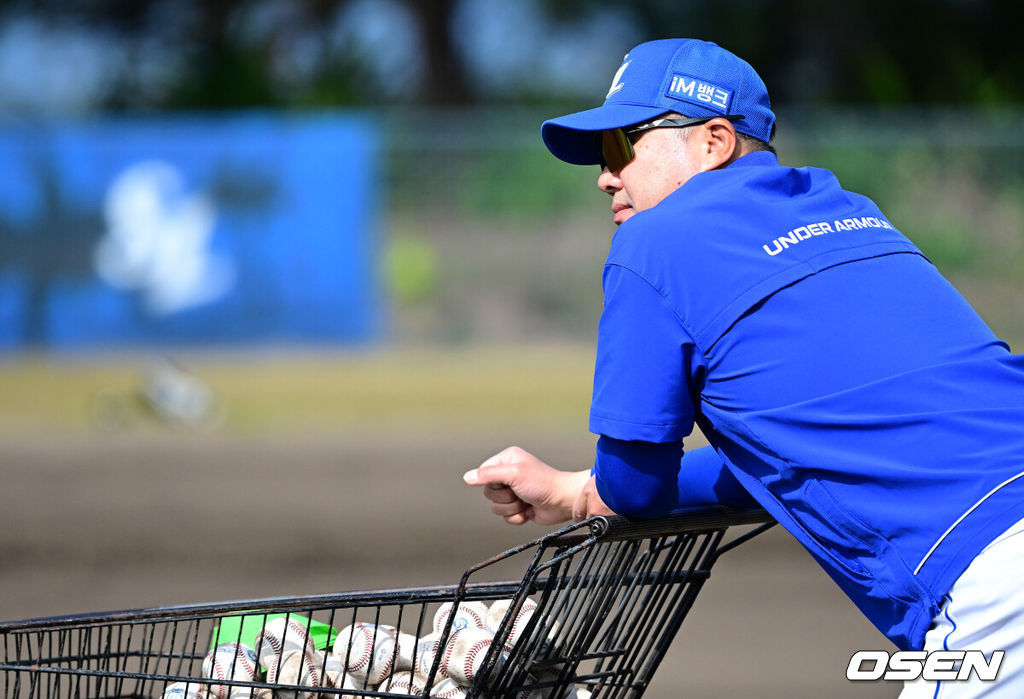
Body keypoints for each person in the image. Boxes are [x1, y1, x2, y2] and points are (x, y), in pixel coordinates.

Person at [462, 38, 1024, 697]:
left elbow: (637, 488)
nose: (604, 176)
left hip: (996, 581)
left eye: (619, 146)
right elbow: (792, 454)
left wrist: (599, 490)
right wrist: (581, 491)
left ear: (714, 141)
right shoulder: (850, 211)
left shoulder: (653, 241)